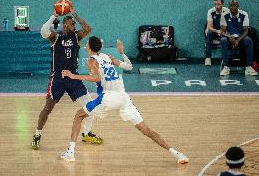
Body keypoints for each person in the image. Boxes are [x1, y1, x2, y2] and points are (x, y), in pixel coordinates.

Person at [60, 36, 189, 164]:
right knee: (146, 130)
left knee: (78, 116)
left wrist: (73, 76)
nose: (85, 44)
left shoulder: (91, 61)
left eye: (87, 43)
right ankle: (177, 154)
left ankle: (70, 153)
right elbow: (129, 67)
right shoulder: (106, 56)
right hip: (123, 97)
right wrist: (122, 52)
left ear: (89, 47)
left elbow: (97, 78)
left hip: (108, 97)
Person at [31, 5, 103, 150]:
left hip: (73, 78)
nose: (75, 25)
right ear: (65, 24)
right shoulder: (56, 37)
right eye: (72, 23)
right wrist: (53, 16)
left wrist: (75, 14)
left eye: (75, 24)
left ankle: (87, 133)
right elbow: (43, 31)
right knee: (48, 108)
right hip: (57, 78)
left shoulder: (76, 36)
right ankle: (37, 134)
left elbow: (88, 29)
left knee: (92, 106)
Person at [220, 0, 258, 76]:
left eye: (234, 5)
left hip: (241, 39)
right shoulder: (224, 15)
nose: (232, 7)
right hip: (229, 39)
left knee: (248, 40)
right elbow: (222, 31)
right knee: (223, 40)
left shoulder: (244, 14)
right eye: (230, 5)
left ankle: (249, 67)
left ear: (237, 6)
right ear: (229, 6)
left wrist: (237, 41)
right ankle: (226, 67)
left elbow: (245, 31)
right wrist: (229, 36)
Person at [205, 0, 229, 66]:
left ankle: (224, 60)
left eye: (218, 4)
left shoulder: (227, 11)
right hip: (214, 31)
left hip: (224, 31)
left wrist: (222, 32)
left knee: (225, 39)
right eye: (215, 4)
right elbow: (209, 27)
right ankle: (208, 58)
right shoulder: (211, 11)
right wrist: (217, 31)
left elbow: (228, 25)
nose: (216, 6)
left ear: (222, 4)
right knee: (209, 33)